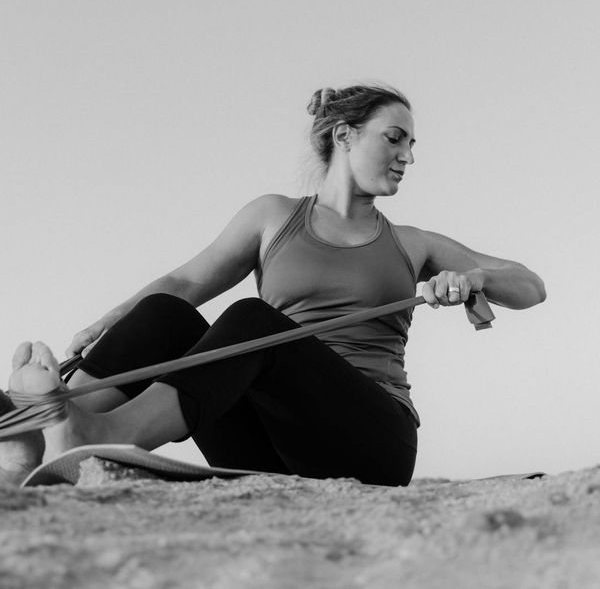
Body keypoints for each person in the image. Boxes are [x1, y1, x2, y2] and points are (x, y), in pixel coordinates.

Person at [0, 84, 546, 487]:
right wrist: (102, 326)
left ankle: (97, 435)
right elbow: (186, 280)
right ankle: (38, 434)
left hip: (371, 441)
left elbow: (530, 285)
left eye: (411, 144)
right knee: (165, 312)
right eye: (395, 138)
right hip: (268, 444)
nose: (408, 156)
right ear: (344, 135)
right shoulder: (274, 217)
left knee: (255, 322)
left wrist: (473, 279)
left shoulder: (411, 242)